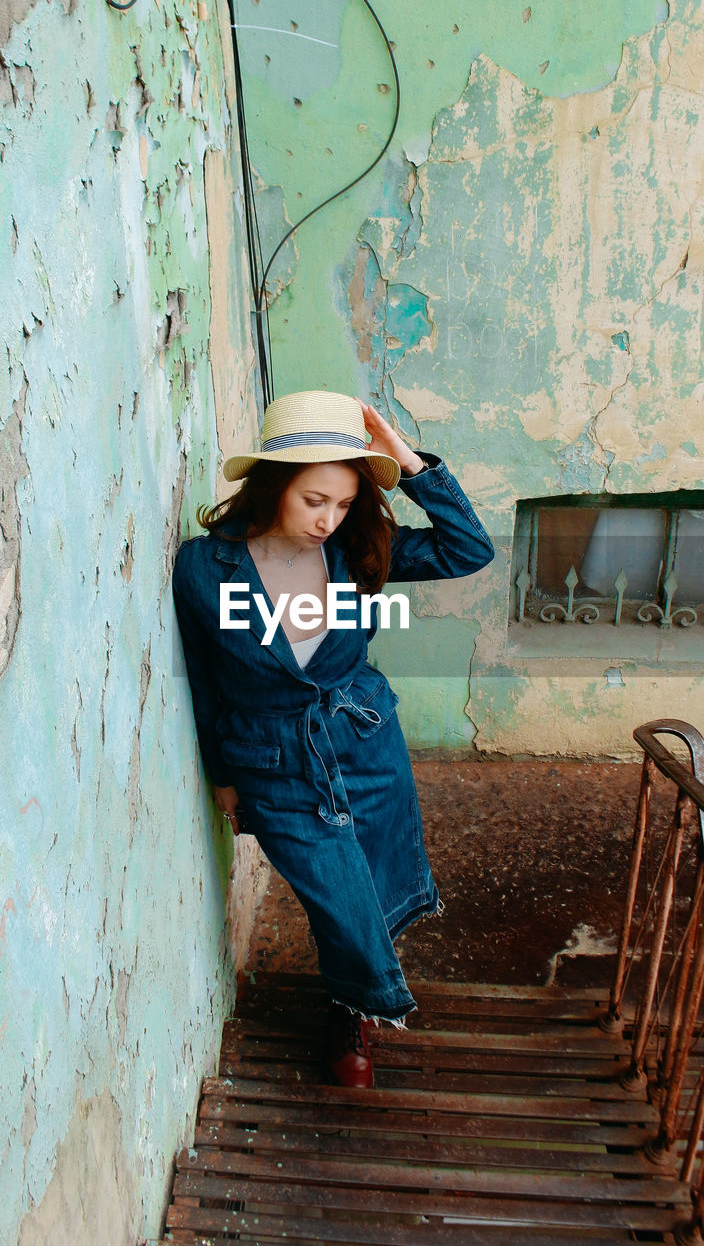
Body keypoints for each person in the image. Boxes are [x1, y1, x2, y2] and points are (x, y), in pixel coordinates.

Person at [172, 390, 494, 1087]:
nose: (329, 519)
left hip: (364, 739)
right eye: (315, 499)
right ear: (273, 485)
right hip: (273, 758)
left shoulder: (358, 550)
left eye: (344, 503)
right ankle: (363, 999)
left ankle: (352, 1009)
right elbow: (204, 677)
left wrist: (407, 462)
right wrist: (220, 774)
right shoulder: (205, 568)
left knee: (373, 885)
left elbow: (468, 549)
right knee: (335, 896)